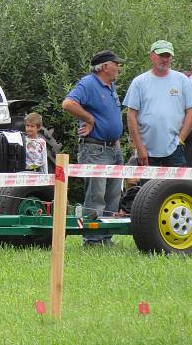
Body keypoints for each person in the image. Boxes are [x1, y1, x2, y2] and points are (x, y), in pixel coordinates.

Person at [62, 50, 124, 245]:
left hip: (113, 148)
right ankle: (92, 239)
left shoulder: (110, 86)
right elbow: (68, 103)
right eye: (116, 63)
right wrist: (88, 118)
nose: (119, 67)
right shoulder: (89, 83)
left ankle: (105, 237)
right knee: (96, 195)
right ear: (105, 66)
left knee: (113, 194)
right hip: (95, 149)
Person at [123, 40, 192, 167]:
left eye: (167, 56)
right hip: (146, 149)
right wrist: (139, 147)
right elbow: (131, 115)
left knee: (176, 186)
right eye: (161, 55)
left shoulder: (182, 80)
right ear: (152, 56)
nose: (164, 59)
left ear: (172, 58)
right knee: (149, 186)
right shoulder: (139, 82)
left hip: (175, 148)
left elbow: (191, 112)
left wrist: (180, 140)